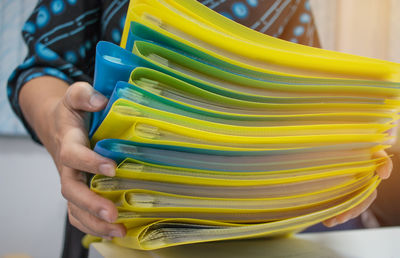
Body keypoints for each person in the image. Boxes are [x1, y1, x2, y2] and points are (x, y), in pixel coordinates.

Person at [7, 0, 393, 257]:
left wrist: (336, 177)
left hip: (253, 238)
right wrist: (61, 134)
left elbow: (302, 95)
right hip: (119, 223)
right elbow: (44, 65)